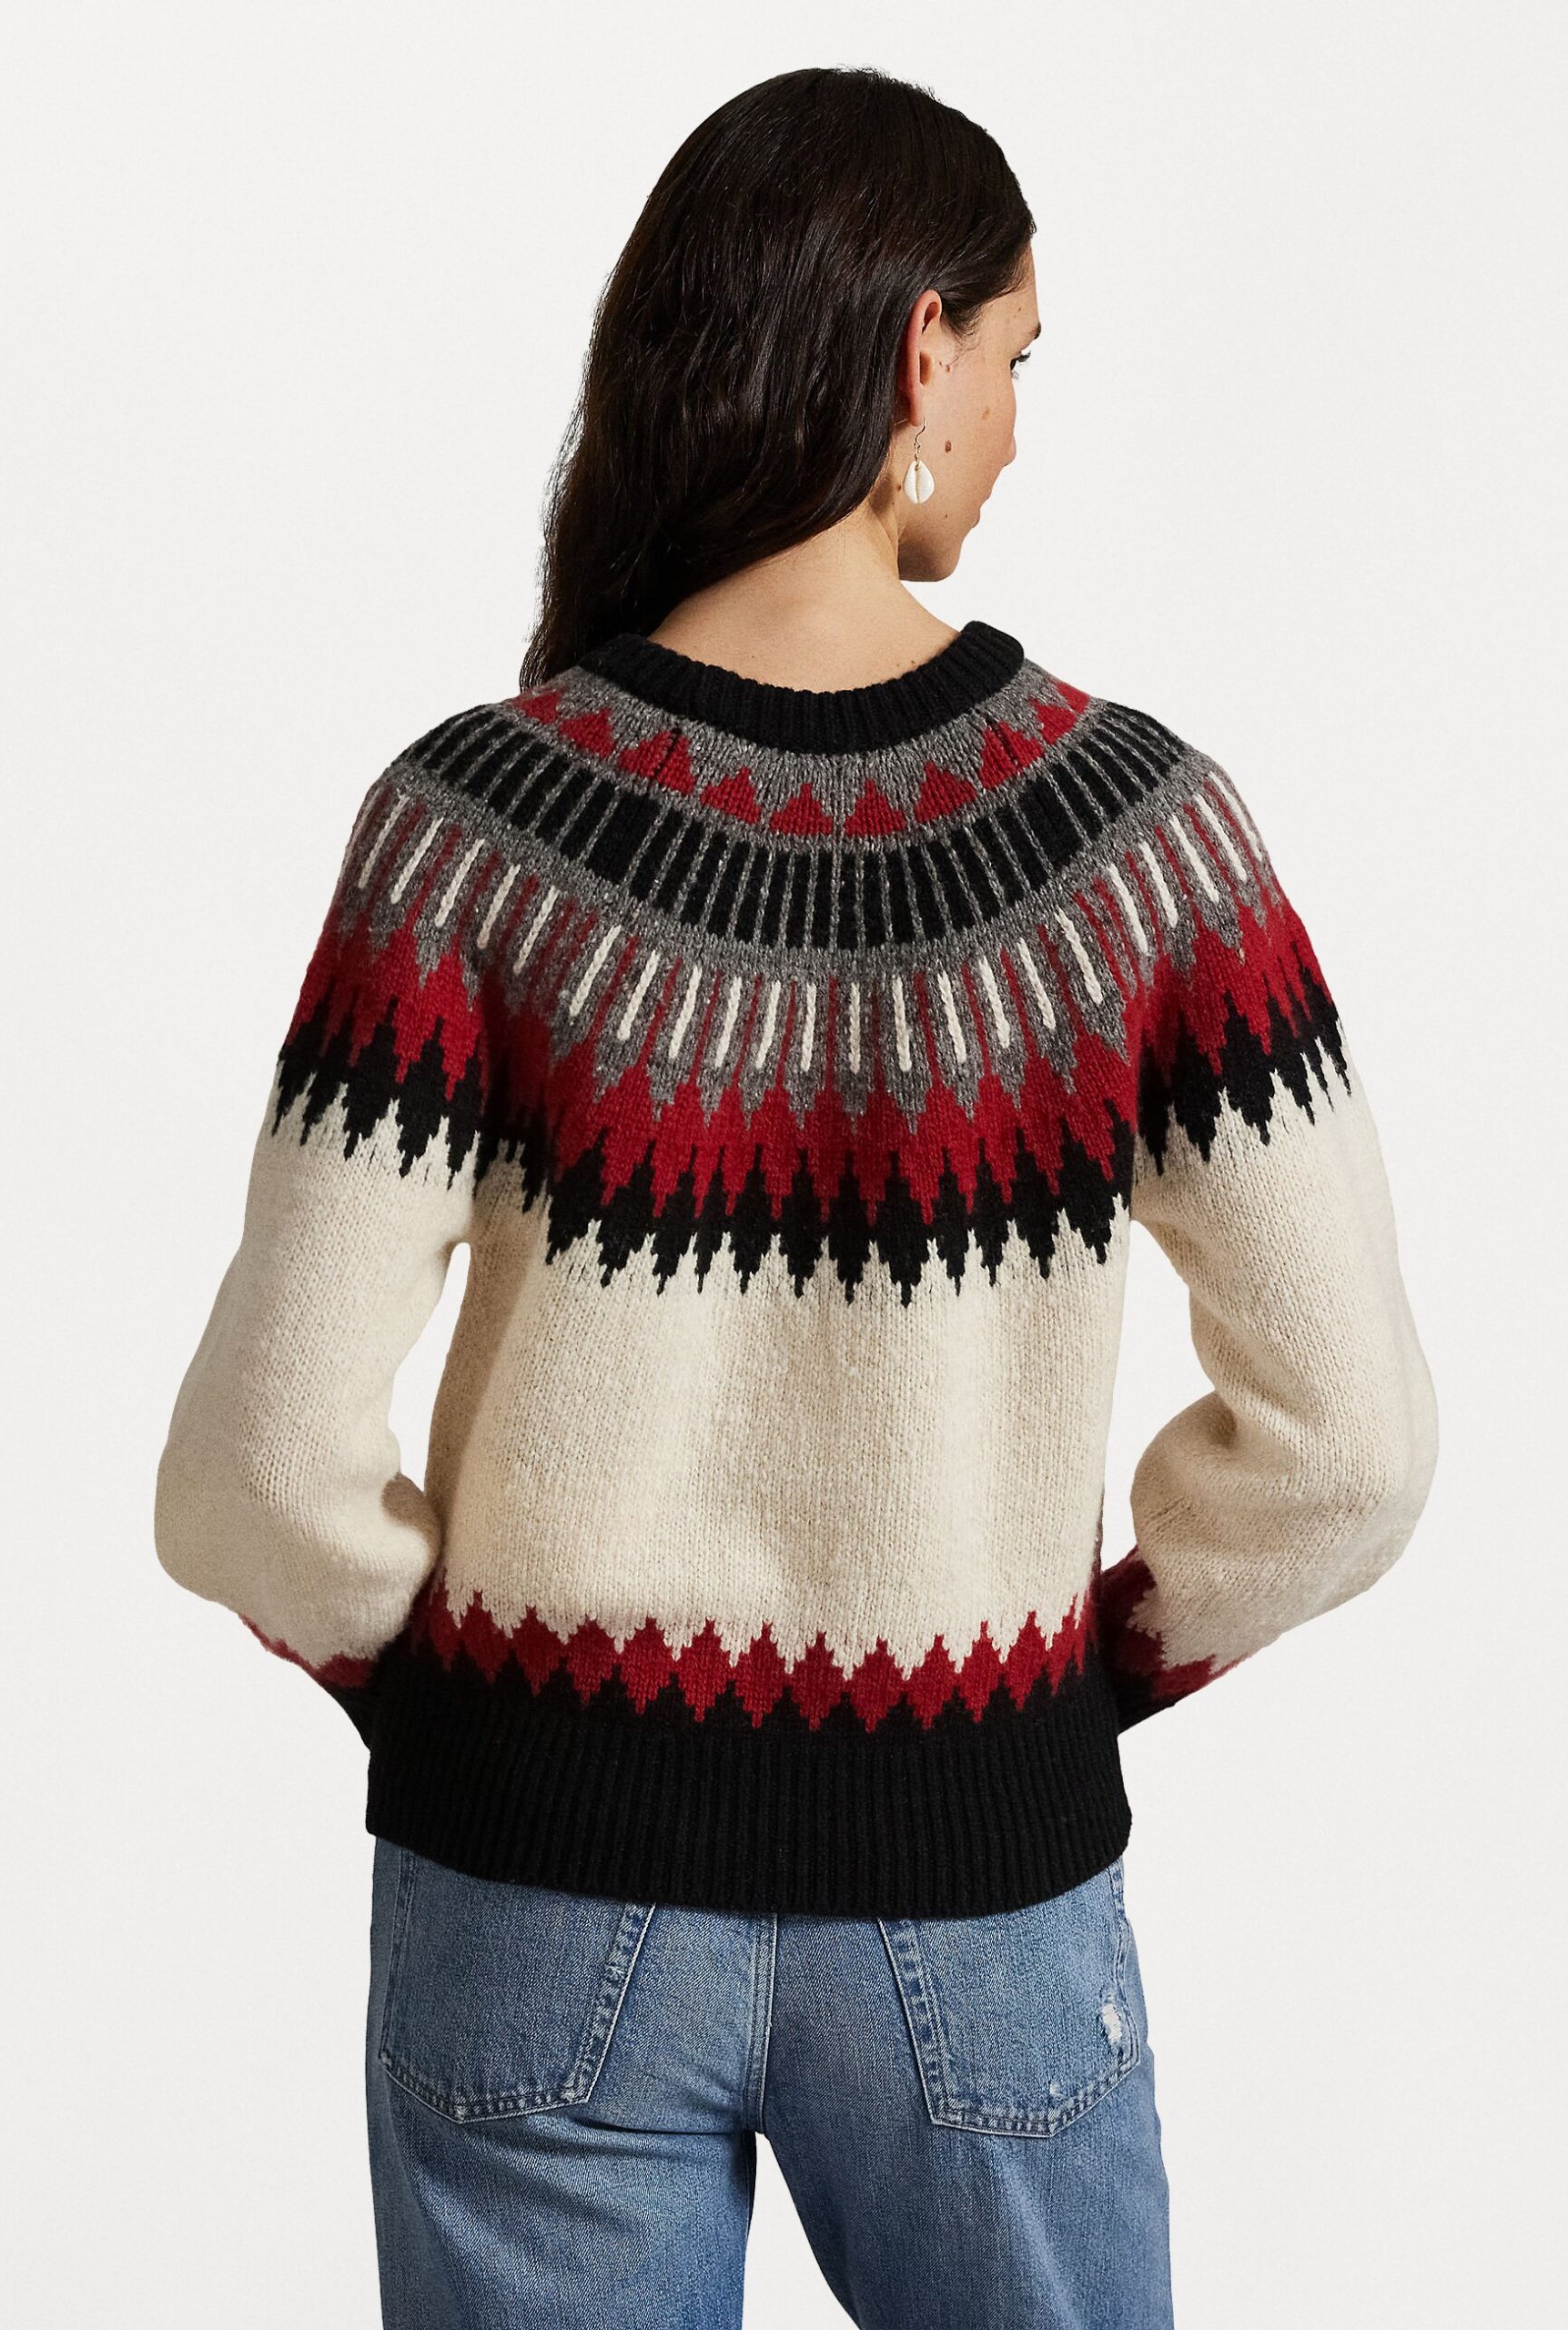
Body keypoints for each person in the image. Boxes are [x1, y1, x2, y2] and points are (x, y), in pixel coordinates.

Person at [153, 64, 1439, 2330]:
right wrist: (1064, 1676)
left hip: (533, 1889)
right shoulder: (1144, 839)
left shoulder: (466, 829)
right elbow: (1351, 1443)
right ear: (916, 351)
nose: (1015, 429)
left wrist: (470, 1702)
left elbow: (253, 1467)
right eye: (1017, 356)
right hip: (977, 1881)